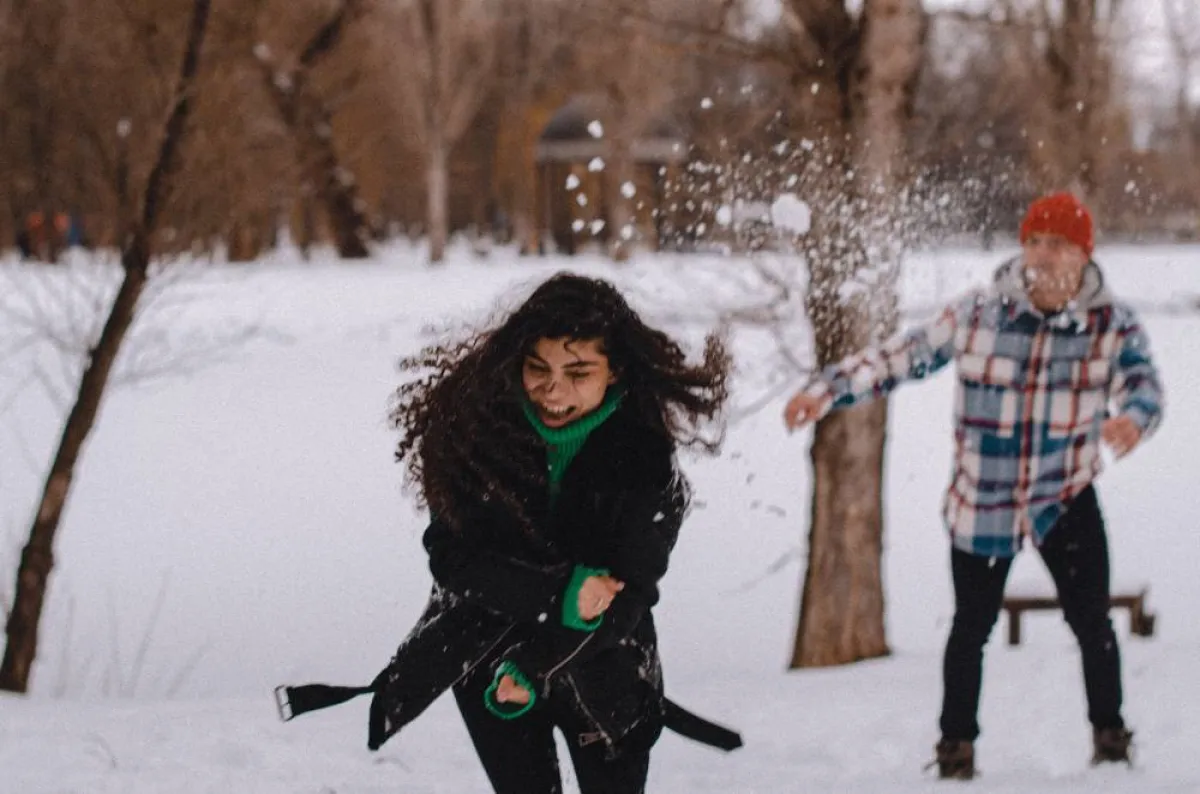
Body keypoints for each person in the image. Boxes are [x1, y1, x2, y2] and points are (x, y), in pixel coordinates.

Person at [276, 273, 740, 793]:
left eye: (578, 371)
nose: (553, 389)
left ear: (615, 372)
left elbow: (626, 598)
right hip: (482, 653)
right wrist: (562, 593)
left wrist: (535, 664)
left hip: (603, 670)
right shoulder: (474, 432)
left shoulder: (646, 458)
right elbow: (454, 558)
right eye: (537, 367)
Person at [782, 193, 1164, 779]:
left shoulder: (1110, 324)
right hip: (984, 500)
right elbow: (900, 357)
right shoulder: (980, 313)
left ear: (1084, 253)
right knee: (970, 630)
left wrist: (1132, 419)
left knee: (1092, 623)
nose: (1041, 255)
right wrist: (827, 390)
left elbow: (1144, 385)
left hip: (1064, 494)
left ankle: (1111, 741)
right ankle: (955, 751)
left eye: (1057, 244)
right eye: (1033, 241)